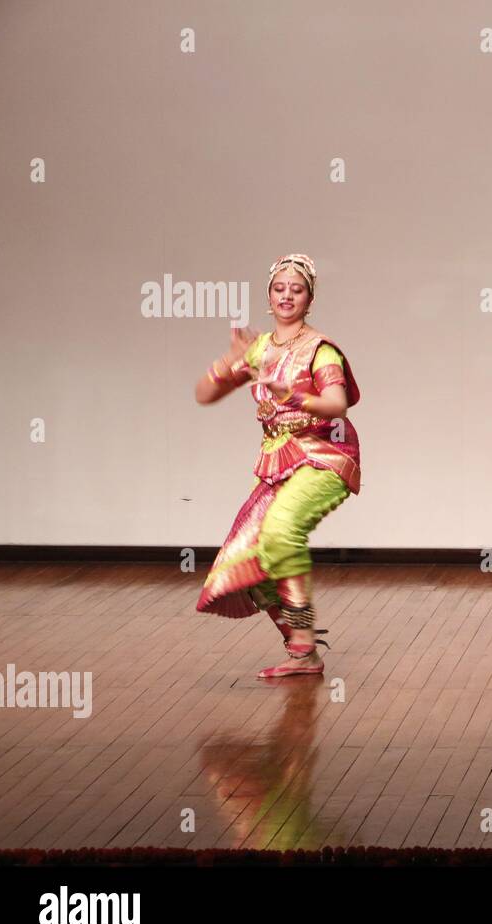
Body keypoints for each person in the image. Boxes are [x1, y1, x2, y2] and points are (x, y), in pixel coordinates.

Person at [194, 253, 361, 678]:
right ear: (269, 296)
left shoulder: (319, 350)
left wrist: (291, 395)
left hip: (324, 456)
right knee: (248, 558)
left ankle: (304, 642)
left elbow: (337, 405)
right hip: (277, 462)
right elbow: (204, 395)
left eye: (297, 289)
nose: (287, 295)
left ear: (309, 299)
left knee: (282, 530)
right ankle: (302, 650)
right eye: (279, 288)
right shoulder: (258, 349)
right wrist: (228, 363)